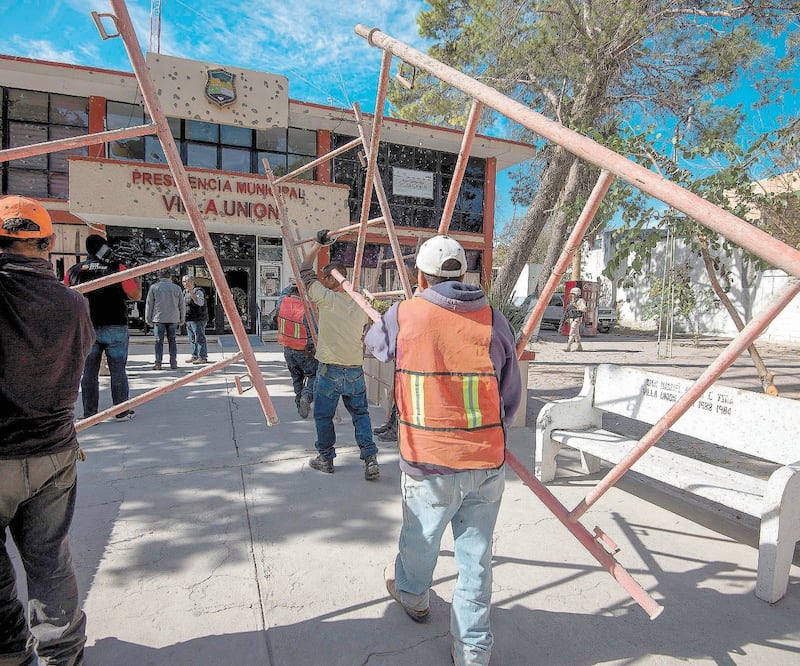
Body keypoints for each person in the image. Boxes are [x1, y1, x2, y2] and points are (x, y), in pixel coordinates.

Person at [364, 234, 521, 666]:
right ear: (463, 272)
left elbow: (375, 347)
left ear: (420, 275)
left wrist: (395, 317)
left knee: (420, 538)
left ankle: (414, 597)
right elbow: (510, 394)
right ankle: (473, 650)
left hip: (429, 461)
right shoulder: (494, 320)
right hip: (485, 460)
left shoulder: (406, 314)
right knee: (476, 559)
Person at [0, 195, 95, 666]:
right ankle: (62, 653)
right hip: (54, 452)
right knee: (50, 560)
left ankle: (9, 652)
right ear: (50, 243)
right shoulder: (73, 304)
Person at [300, 230, 379, 481]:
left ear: (333, 280)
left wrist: (316, 244)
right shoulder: (361, 303)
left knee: (323, 416)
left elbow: (304, 271)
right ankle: (370, 459)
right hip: (354, 369)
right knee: (361, 415)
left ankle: (325, 458)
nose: (323, 282)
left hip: (330, 370)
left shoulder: (327, 298)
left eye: (326, 278)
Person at [67, 233, 141, 421]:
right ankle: (121, 411)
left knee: (89, 372)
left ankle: (90, 413)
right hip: (115, 324)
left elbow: (66, 298)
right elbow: (134, 295)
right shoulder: (118, 268)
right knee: (118, 370)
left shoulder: (75, 270)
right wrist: (136, 276)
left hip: (87, 326)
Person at [372, 256, 419, 443]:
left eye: (406, 274)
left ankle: (396, 428)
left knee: (404, 395)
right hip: (404, 349)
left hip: (412, 351)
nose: (404, 278)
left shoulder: (418, 294)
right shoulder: (413, 292)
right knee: (399, 391)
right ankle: (392, 424)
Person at [276, 282, 317, 419]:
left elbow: (283, 292)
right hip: (305, 350)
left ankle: (300, 404)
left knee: (296, 378)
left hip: (288, 348)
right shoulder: (307, 308)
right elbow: (314, 331)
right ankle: (306, 396)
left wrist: (293, 283)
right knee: (313, 376)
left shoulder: (282, 302)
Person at [145, 268, 185, 370]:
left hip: (159, 318)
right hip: (173, 318)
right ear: (170, 276)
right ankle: (173, 362)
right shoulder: (177, 288)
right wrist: (182, 318)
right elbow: (181, 305)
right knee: (172, 341)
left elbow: (149, 304)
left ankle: (158, 363)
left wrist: (148, 319)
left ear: (159, 277)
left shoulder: (154, 287)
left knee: (158, 342)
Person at [181, 274, 208, 365]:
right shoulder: (184, 292)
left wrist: (191, 292)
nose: (184, 283)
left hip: (198, 319)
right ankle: (194, 356)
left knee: (199, 338)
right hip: (189, 318)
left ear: (192, 282)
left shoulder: (198, 291)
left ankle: (202, 356)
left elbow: (200, 303)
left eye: (186, 281)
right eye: (183, 281)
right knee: (192, 338)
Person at [564, 286, 587, 352]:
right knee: (576, 333)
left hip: (577, 319)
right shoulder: (572, 301)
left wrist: (576, 306)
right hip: (572, 319)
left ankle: (568, 347)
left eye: (573, 294)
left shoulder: (580, 301)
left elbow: (584, 309)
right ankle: (579, 347)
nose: (571, 295)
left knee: (572, 332)